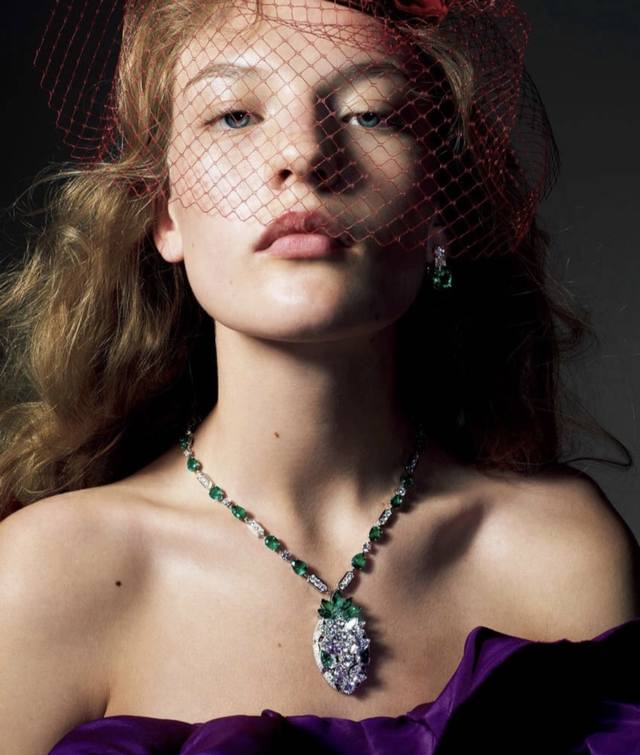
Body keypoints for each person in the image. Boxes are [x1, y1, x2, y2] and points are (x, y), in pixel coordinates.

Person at [0, 0, 638, 752]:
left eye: (371, 114)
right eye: (234, 115)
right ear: (164, 213)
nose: (304, 154)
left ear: (441, 205)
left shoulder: (563, 554)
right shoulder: (44, 577)